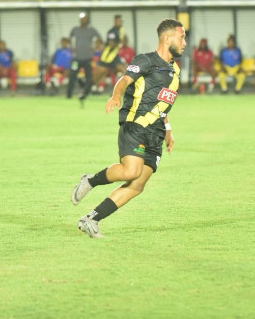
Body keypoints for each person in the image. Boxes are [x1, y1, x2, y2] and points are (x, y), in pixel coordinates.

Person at [71, 19, 186, 238]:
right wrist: (116, 95)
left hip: (156, 133)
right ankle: (90, 180)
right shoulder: (145, 60)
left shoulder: (175, 70)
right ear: (167, 37)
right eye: (181, 37)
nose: (184, 42)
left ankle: (91, 219)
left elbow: (163, 101)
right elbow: (124, 80)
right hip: (136, 125)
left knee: (137, 185)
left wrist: (168, 129)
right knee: (131, 171)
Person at [66, 12, 102, 103]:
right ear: (79, 20)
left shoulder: (91, 30)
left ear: (87, 19)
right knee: (72, 75)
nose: (83, 20)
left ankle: (86, 94)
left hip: (87, 59)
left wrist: (95, 48)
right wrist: (71, 47)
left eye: (85, 18)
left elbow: (100, 39)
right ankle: (68, 95)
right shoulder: (75, 29)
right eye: (81, 18)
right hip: (76, 59)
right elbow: (69, 38)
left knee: (89, 77)